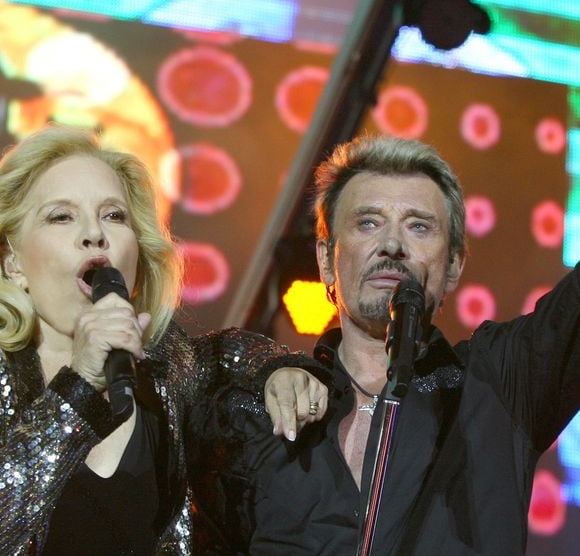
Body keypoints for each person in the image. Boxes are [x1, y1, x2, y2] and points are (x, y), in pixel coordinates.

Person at [189, 134, 579, 555]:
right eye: (368, 222)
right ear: (326, 260)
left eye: (418, 226)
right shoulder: (264, 410)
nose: (392, 245)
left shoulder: (499, 385)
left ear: (453, 266)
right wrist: (263, 363)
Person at [0, 124, 329, 555]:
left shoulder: (164, 370)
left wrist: (280, 369)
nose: (94, 233)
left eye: (113, 215)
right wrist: (79, 386)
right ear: (13, 265)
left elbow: (225, 352)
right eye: (61, 216)